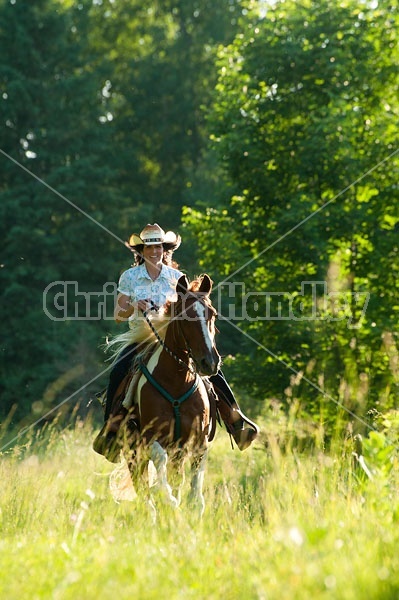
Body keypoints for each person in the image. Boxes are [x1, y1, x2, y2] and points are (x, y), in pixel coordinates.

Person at [100, 223, 259, 454]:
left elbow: (190, 308)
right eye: (149, 247)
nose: (154, 252)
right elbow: (117, 315)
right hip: (141, 337)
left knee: (214, 370)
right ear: (141, 251)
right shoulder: (130, 277)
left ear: (165, 249)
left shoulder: (177, 277)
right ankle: (111, 432)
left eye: (159, 247)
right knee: (118, 370)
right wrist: (134, 305)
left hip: (173, 336)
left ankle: (236, 423)